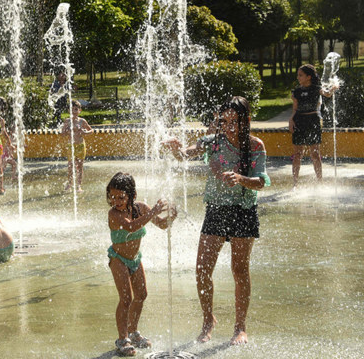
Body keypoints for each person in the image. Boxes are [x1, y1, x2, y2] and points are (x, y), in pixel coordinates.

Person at [163, 96, 270, 345]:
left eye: (235, 121)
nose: (230, 126)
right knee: (202, 269)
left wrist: (241, 179)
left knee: (239, 270)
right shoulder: (212, 142)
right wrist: (175, 148)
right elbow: (185, 155)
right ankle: (208, 319)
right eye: (225, 121)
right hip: (217, 210)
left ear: (247, 120)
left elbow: (262, 181)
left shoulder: (255, 146)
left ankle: (240, 327)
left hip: (244, 210)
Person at [106, 172, 177, 356]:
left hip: (135, 259)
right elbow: (130, 226)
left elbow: (161, 224)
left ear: (132, 195)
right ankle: (122, 339)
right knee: (126, 298)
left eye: (121, 197)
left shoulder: (141, 208)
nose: (116, 201)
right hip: (118, 259)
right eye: (112, 197)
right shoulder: (113, 214)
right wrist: (153, 211)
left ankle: (133, 332)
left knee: (141, 295)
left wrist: (172, 216)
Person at [288, 64, 336, 187]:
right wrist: (291, 120)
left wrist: (333, 87)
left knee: (314, 153)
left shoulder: (316, 88)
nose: (298, 77)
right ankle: (295, 184)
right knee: (298, 154)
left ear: (308, 77)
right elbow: (295, 109)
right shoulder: (297, 92)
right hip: (299, 120)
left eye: (300, 75)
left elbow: (327, 94)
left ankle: (320, 182)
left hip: (313, 121)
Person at [61, 100, 93, 192]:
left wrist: (85, 132)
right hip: (71, 146)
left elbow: (91, 130)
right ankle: (70, 184)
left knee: (79, 166)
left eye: (76, 109)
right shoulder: (67, 121)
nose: (74, 112)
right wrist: (66, 131)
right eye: (71, 109)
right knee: (70, 167)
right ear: (68, 111)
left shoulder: (82, 121)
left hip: (80, 146)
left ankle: (79, 185)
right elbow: (62, 134)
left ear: (80, 110)